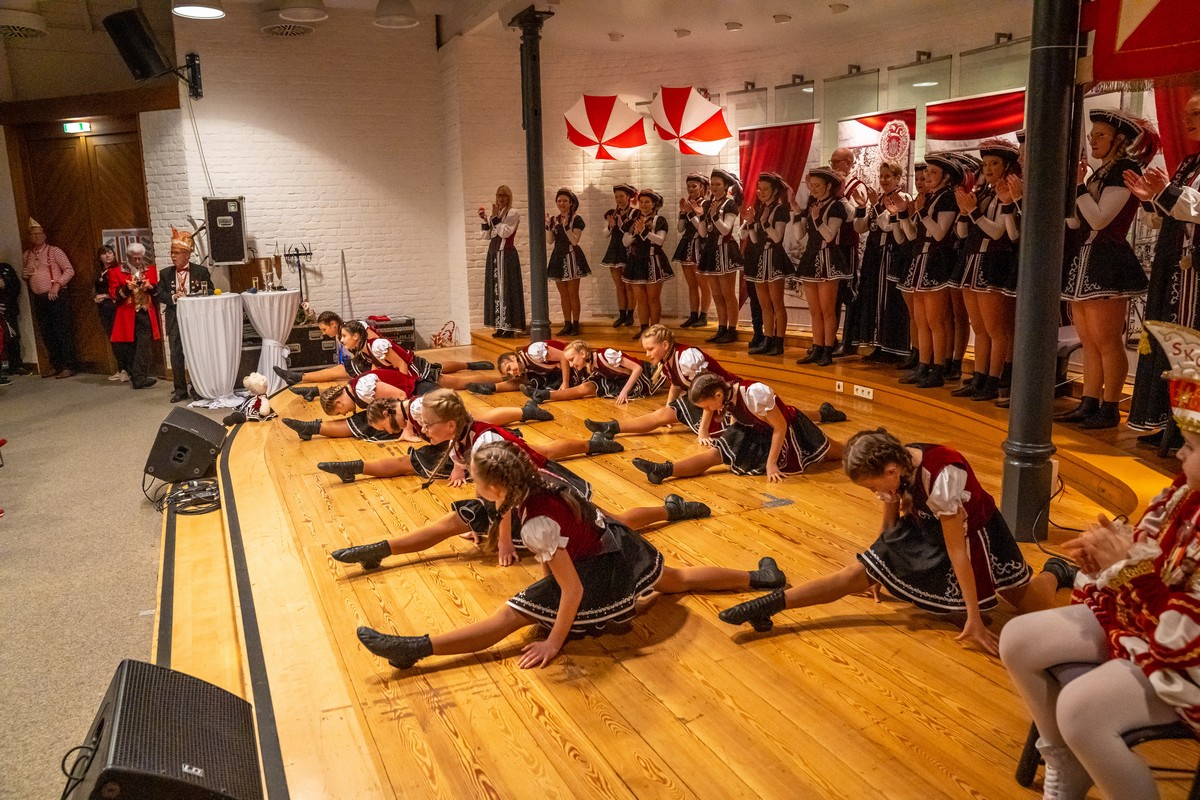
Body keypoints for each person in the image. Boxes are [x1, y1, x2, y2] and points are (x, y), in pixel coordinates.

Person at [353, 440, 787, 671]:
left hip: (597, 569)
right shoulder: (539, 480)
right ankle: (760, 578)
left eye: (475, 482)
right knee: (678, 579)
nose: (472, 487)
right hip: (617, 544)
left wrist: (554, 641)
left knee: (507, 618)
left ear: (495, 487)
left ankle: (417, 649)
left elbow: (573, 589)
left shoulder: (535, 522)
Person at [1000, 319, 1200, 800]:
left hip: (1187, 659)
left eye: (1192, 446)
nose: (1178, 453)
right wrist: (1106, 560)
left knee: (1081, 708)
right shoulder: (1183, 495)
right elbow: (1151, 561)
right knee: (1019, 639)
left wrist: (1127, 568)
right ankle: (1065, 760)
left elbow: (1182, 635)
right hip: (1153, 624)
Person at [719, 428, 1074, 653]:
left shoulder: (943, 475)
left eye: (872, 486)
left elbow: (957, 550)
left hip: (973, 535)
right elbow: (889, 529)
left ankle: (1055, 570)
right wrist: (879, 564)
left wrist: (975, 619)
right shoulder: (896, 465)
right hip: (925, 528)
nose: (874, 492)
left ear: (891, 471)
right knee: (852, 575)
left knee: (1027, 607)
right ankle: (769, 605)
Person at [332, 466, 711, 571]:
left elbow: (511, 497)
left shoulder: (491, 452)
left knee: (618, 522)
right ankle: (381, 549)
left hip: (544, 495)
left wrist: (500, 538)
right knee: (447, 525)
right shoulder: (470, 451)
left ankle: (672, 509)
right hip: (507, 502)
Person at [1058, 108, 1159, 429]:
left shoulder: (1125, 169)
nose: (1093, 140)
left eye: (1101, 135)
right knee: (1088, 340)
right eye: (1092, 135)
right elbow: (1078, 222)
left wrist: (1078, 187)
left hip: (1108, 261)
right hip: (1087, 258)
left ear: (1120, 139)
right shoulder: (1099, 174)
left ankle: (1110, 407)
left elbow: (1101, 219)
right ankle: (1089, 402)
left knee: (1106, 340)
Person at [585, 324, 844, 441]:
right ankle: (613, 428)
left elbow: (708, 394)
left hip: (730, 397)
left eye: (651, 348)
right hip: (713, 401)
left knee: (781, 415)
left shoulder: (687, 357)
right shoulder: (669, 359)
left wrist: (703, 431)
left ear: (664, 344)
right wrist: (670, 406)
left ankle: (822, 413)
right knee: (663, 415)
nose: (648, 353)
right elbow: (676, 385)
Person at [317, 388, 622, 486]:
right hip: (459, 444)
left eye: (385, 427)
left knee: (543, 453)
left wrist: (459, 463)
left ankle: (593, 443)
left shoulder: (420, 409)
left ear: (387, 413)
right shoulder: (412, 414)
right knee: (405, 463)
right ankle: (354, 468)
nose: (388, 432)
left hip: (474, 439)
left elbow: (462, 419)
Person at [1125, 89, 1200, 442]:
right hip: (1177, 268)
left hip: (1194, 272)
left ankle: (1188, 431)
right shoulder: (1189, 162)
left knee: (1190, 348)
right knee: (1175, 345)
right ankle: (1172, 424)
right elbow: (1167, 218)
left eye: (1196, 113)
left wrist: (1165, 193)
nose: (1187, 120)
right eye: (1185, 114)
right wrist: (1151, 199)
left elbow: (1195, 208)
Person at [630, 372, 841, 485]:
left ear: (718, 395)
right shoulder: (726, 395)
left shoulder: (755, 393)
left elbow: (781, 427)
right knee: (716, 454)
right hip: (756, 432)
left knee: (838, 453)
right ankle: (664, 470)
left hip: (791, 432)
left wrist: (771, 464)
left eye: (707, 406)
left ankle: (860, 441)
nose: (707, 411)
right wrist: (730, 440)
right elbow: (737, 416)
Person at [953, 139, 1021, 402]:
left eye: (994, 163)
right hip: (973, 262)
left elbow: (999, 232)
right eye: (985, 164)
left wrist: (972, 212)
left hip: (995, 263)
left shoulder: (1010, 195)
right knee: (979, 328)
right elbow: (962, 233)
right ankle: (979, 377)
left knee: (996, 329)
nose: (989, 168)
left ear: (1007, 166)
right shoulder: (984, 194)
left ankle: (994, 379)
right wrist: (964, 213)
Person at [893, 153, 964, 389]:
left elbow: (940, 233)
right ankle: (923, 365)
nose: (927, 176)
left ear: (946, 176)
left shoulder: (948, 198)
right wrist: (903, 213)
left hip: (937, 262)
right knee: (921, 320)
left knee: (935, 321)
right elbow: (913, 235)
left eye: (933, 172)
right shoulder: (930, 197)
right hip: (920, 260)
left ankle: (938, 369)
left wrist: (922, 212)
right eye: (927, 172)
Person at [277, 319, 494, 397]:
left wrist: (407, 389)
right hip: (405, 371)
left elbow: (401, 364)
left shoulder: (373, 343)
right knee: (448, 377)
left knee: (454, 381)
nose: (340, 340)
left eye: (342, 336)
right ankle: (306, 383)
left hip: (413, 368)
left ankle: (495, 378)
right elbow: (376, 369)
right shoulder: (362, 348)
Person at [281, 393, 552, 443]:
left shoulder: (365, 388)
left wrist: (409, 428)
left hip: (427, 398)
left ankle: (525, 412)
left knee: (480, 419)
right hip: (416, 407)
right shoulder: (405, 412)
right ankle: (524, 413)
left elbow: (402, 392)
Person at [849, 161, 911, 362]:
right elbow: (861, 228)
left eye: (888, 176)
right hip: (874, 253)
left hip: (891, 253)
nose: (883, 180)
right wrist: (862, 207)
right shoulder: (880, 199)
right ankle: (877, 344)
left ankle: (891, 348)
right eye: (881, 176)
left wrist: (875, 206)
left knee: (888, 300)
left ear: (897, 178)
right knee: (873, 297)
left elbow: (887, 225)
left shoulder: (903, 198)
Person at [795, 167, 854, 367]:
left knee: (828, 310)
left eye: (818, 186)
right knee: (814, 311)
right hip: (811, 258)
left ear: (829, 186)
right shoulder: (813, 204)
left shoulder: (836, 206)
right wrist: (797, 213)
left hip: (828, 259)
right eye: (811, 185)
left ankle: (828, 349)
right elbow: (799, 235)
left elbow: (829, 236)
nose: (813, 189)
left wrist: (817, 218)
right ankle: (817, 347)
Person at [154, 227, 212, 403]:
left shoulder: (200, 271)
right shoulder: (165, 273)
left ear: (187, 254)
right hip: (175, 319)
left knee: (196, 353)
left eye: (177, 253)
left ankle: (197, 388)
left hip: (195, 319)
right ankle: (180, 390)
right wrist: (173, 297)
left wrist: (192, 296)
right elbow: (159, 294)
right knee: (176, 354)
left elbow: (210, 291)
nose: (173, 256)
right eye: (172, 253)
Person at [522, 339, 661, 405]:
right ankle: (544, 395)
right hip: (618, 380)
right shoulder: (591, 364)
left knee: (668, 382)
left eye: (572, 359)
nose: (570, 364)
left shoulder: (606, 355)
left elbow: (638, 367)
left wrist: (624, 391)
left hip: (646, 375)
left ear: (583, 354)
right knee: (586, 387)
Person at [744, 172, 793, 356]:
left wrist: (764, 222)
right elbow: (755, 240)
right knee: (764, 304)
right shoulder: (759, 209)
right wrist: (750, 223)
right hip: (759, 258)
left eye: (765, 189)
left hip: (774, 257)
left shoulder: (780, 209)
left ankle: (779, 342)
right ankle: (768, 339)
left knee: (777, 303)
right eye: (759, 189)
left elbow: (777, 237)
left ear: (774, 191)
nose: (761, 192)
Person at [21, 218, 77, 378]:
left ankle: (68, 365)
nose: (36, 236)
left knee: (62, 331)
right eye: (33, 234)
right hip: (39, 298)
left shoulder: (54, 251)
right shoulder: (27, 255)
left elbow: (69, 270)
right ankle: (56, 364)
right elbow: (26, 275)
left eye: (39, 233)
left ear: (44, 235)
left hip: (56, 296)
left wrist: (57, 284)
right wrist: (25, 275)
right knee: (47, 332)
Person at [694, 169, 744, 344]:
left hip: (726, 250)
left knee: (728, 294)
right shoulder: (707, 204)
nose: (714, 187)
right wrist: (701, 216)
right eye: (712, 184)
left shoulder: (730, 204)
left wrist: (714, 216)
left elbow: (725, 230)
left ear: (725, 186)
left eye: (718, 184)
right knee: (716, 294)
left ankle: (732, 329)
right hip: (711, 250)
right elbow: (702, 233)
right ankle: (721, 328)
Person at [622, 189, 674, 339]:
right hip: (635, 262)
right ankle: (644, 328)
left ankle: (655, 330)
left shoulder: (659, 220)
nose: (643, 205)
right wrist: (635, 233)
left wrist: (644, 232)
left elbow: (660, 241)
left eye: (647, 202)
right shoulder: (632, 221)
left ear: (653, 204)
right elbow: (625, 242)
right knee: (641, 299)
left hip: (653, 260)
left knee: (653, 298)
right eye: (641, 202)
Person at [109, 242, 160, 390]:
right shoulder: (117, 272)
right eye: (134, 258)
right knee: (130, 346)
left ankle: (139, 377)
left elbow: (157, 291)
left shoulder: (150, 270)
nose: (137, 261)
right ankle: (136, 377)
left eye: (140, 258)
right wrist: (126, 288)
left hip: (145, 312)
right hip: (127, 314)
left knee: (144, 345)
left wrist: (149, 287)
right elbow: (114, 295)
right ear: (128, 257)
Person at [481, 185, 525, 338]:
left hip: (506, 255)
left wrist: (494, 219)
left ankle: (509, 326)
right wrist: (486, 220)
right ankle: (499, 325)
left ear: (509, 198)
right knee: (496, 290)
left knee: (506, 289)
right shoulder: (497, 215)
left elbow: (505, 233)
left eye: (504, 196)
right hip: (494, 254)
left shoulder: (512, 213)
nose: (501, 199)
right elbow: (487, 236)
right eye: (499, 195)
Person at [546, 187, 589, 336]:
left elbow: (575, 241)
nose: (562, 203)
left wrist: (566, 228)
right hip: (558, 257)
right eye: (559, 201)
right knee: (563, 295)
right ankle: (567, 324)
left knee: (573, 293)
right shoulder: (554, 219)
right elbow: (550, 241)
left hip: (572, 256)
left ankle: (575, 324)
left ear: (571, 203)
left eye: (565, 201)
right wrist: (548, 227)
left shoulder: (576, 219)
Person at [673, 172, 712, 328]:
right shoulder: (687, 203)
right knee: (691, 284)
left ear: (701, 187)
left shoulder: (706, 204)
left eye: (694, 186)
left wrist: (690, 212)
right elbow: (680, 228)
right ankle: (693, 314)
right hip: (687, 244)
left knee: (703, 284)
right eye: (688, 186)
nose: (691, 189)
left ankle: (704, 315)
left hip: (701, 245)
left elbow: (702, 229)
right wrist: (683, 213)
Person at [464, 339, 569, 395]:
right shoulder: (524, 364)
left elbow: (564, 357)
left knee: (528, 380)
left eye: (509, 368)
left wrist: (565, 382)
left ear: (512, 357)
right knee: (524, 380)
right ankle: (490, 387)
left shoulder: (533, 352)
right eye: (509, 373)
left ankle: (491, 387)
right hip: (561, 372)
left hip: (574, 364)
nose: (512, 372)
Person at [602, 183, 638, 327]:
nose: (619, 199)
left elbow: (633, 233)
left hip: (628, 250)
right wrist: (610, 226)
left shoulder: (635, 213)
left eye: (621, 196)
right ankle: (622, 314)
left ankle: (630, 314)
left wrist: (622, 225)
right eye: (616, 197)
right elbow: (605, 234)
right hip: (614, 250)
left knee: (629, 285)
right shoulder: (612, 213)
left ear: (628, 197)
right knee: (619, 285)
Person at [93, 246, 123, 381]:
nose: (108, 256)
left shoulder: (117, 270)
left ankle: (124, 369)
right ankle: (120, 368)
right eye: (104, 254)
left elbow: (118, 290)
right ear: (100, 257)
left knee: (118, 338)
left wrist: (105, 296)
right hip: (103, 307)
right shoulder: (99, 272)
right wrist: (95, 296)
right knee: (111, 337)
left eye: (110, 253)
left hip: (114, 306)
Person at [0, 260, 24, 375]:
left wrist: (5, 285)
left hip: (9, 309)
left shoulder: (6, 268)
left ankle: (15, 365)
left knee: (13, 337)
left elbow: (16, 288)